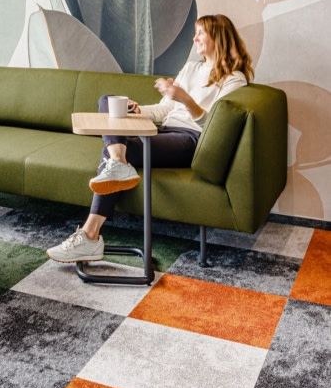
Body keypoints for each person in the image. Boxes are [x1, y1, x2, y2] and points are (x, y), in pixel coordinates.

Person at [47, 14, 254, 264]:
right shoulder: (191, 68)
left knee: (109, 154)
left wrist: (185, 98)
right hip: (164, 130)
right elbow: (163, 110)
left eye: (200, 33)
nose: (194, 38)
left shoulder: (234, 78)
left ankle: (90, 234)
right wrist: (137, 110)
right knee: (107, 101)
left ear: (217, 37)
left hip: (191, 139)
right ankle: (118, 164)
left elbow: (214, 125)